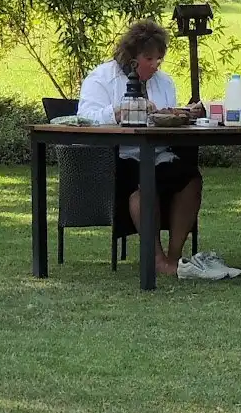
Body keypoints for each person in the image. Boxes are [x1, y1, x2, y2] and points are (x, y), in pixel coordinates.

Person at [76, 20, 205, 278]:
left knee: (191, 179)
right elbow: (85, 118)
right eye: (149, 59)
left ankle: (174, 256)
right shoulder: (102, 78)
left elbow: (165, 118)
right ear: (132, 57)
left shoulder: (164, 82)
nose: (155, 65)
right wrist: (118, 111)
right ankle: (155, 258)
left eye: (159, 59)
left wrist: (182, 114)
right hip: (118, 157)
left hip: (158, 154)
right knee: (144, 187)